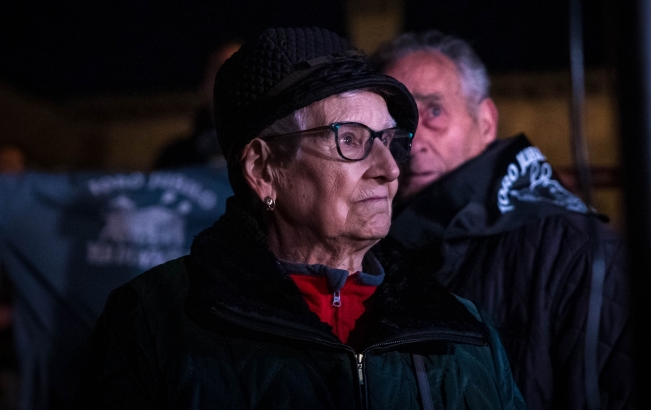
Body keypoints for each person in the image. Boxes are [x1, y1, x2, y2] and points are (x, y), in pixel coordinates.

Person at [76, 27, 526, 409]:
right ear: (263, 169)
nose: (388, 169)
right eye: (350, 139)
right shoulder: (155, 324)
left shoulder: (463, 330)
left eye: (390, 141)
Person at [371, 30, 634, 410]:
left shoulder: (580, 252)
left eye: (434, 111)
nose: (412, 139)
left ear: (486, 121)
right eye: (395, 120)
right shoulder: (373, 251)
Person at [154, 42, 241, 169]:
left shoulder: (271, 153)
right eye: (219, 69)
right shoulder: (176, 157)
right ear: (203, 85)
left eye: (238, 69)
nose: (229, 79)